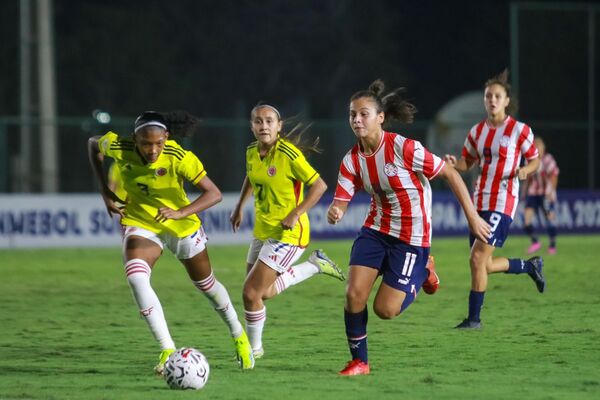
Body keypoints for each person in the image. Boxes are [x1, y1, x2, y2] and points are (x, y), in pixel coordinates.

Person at [327, 80, 491, 376]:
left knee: (385, 310)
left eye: (364, 114)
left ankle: (425, 270)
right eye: (352, 114)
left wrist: (472, 217)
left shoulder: (404, 148)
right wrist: (337, 210)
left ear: (380, 118)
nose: (356, 120)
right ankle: (360, 362)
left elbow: (450, 174)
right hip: (375, 231)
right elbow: (341, 198)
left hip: (411, 239)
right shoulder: (351, 159)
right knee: (353, 295)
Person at [88, 110, 254, 374]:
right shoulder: (120, 146)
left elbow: (214, 194)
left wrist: (180, 212)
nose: (152, 149)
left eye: (158, 143)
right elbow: (93, 143)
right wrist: (104, 190)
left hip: (181, 225)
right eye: (145, 143)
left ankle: (238, 334)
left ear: (166, 137)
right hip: (142, 223)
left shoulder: (179, 157)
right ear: (135, 138)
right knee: (136, 277)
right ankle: (167, 349)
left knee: (207, 286)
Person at [230, 104, 346, 359]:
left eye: (269, 121)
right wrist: (239, 206)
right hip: (263, 230)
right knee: (264, 292)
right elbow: (251, 176)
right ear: (252, 126)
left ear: (279, 125)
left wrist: (296, 212)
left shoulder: (288, 154)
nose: (264, 126)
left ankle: (254, 350)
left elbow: (319, 185)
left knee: (251, 294)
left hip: (289, 234)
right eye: (258, 121)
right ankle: (315, 266)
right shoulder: (251, 151)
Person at [443, 69, 547, 330]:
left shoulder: (519, 130)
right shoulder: (477, 132)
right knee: (485, 264)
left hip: (503, 201)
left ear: (506, 101)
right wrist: (456, 163)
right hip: (478, 202)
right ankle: (529, 266)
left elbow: (535, 160)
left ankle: (474, 320)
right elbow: (468, 161)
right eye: (488, 96)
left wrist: (526, 169)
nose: (492, 100)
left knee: (477, 260)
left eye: (497, 96)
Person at [523, 136, 560, 254]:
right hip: (533, 194)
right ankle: (535, 242)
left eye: (540, 147)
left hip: (545, 194)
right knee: (527, 219)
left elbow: (554, 175)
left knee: (549, 219)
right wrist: (524, 191)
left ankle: (552, 245)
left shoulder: (548, 160)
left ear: (543, 148)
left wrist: (551, 191)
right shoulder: (529, 160)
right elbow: (528, 178)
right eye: (536, 147)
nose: (539, 149)